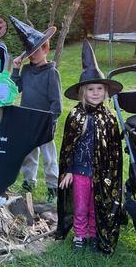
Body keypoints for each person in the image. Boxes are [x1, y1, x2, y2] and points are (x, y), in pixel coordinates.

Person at [56, 41, 123, 254]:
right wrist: (68, 170)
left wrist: (110, 173)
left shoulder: (109, 117)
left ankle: (94, 234)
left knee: (97, 206)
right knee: (81, 205)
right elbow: (68, 147)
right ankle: (80, 234)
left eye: (99, 89)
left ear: (105, 91)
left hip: (101, 173)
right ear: (83, 92)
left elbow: (114, 150)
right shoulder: (75, 115)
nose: (95, 93)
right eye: (91, 89)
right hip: (80, 171)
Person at [9, 16, 62, 201]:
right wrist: (16, 69)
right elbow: (15, 89)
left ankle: (53, 188)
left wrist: (50, 122)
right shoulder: (26, 71)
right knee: (29, 155)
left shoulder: (52, 73)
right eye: (30, 52)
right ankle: (28, 182)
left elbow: (56, 103)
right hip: (27, 121)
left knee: (49, 158)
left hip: (45, 122)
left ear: (46, 49)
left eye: (37, 50)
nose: (33, 55)